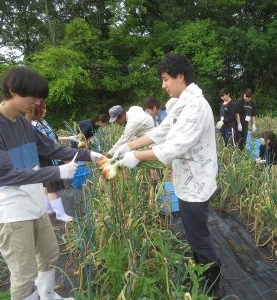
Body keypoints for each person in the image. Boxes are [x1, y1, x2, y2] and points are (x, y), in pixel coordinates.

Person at [0, 66, 104, 300]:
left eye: (40, 97)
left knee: (49, 254)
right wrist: (56, 172)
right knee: (23, 273)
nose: (37, 103)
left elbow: (52, 148)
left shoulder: (22, 123)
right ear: (12, 91)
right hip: (10, 211)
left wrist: (91, 156)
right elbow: (5, 175)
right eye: (33, 97)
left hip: (34, 204)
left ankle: (49, 296)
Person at [114, 54, 221, 294]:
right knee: (193, 233)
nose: (163, 86)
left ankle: (213, 285)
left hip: (197, 183)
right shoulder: (181, 105)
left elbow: (174, 147)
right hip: (187, 179)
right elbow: (160, 133)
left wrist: (137, 157)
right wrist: (128, 146)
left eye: (165, 79)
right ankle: (202, 273)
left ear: (180, 77)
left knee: (198, 236)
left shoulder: (196, 106)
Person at [25, 99, 76, 222]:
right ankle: (60, 214)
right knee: (52, 186)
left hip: (49, 156)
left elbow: (54, 137)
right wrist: (63, 156)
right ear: (37, 109)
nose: (46, 110)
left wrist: (69, 137)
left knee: (46, 186)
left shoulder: (42, 121)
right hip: (44, 159)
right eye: (44, 108)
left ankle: (49, 209)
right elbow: (45, 146)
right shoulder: (34, 125)